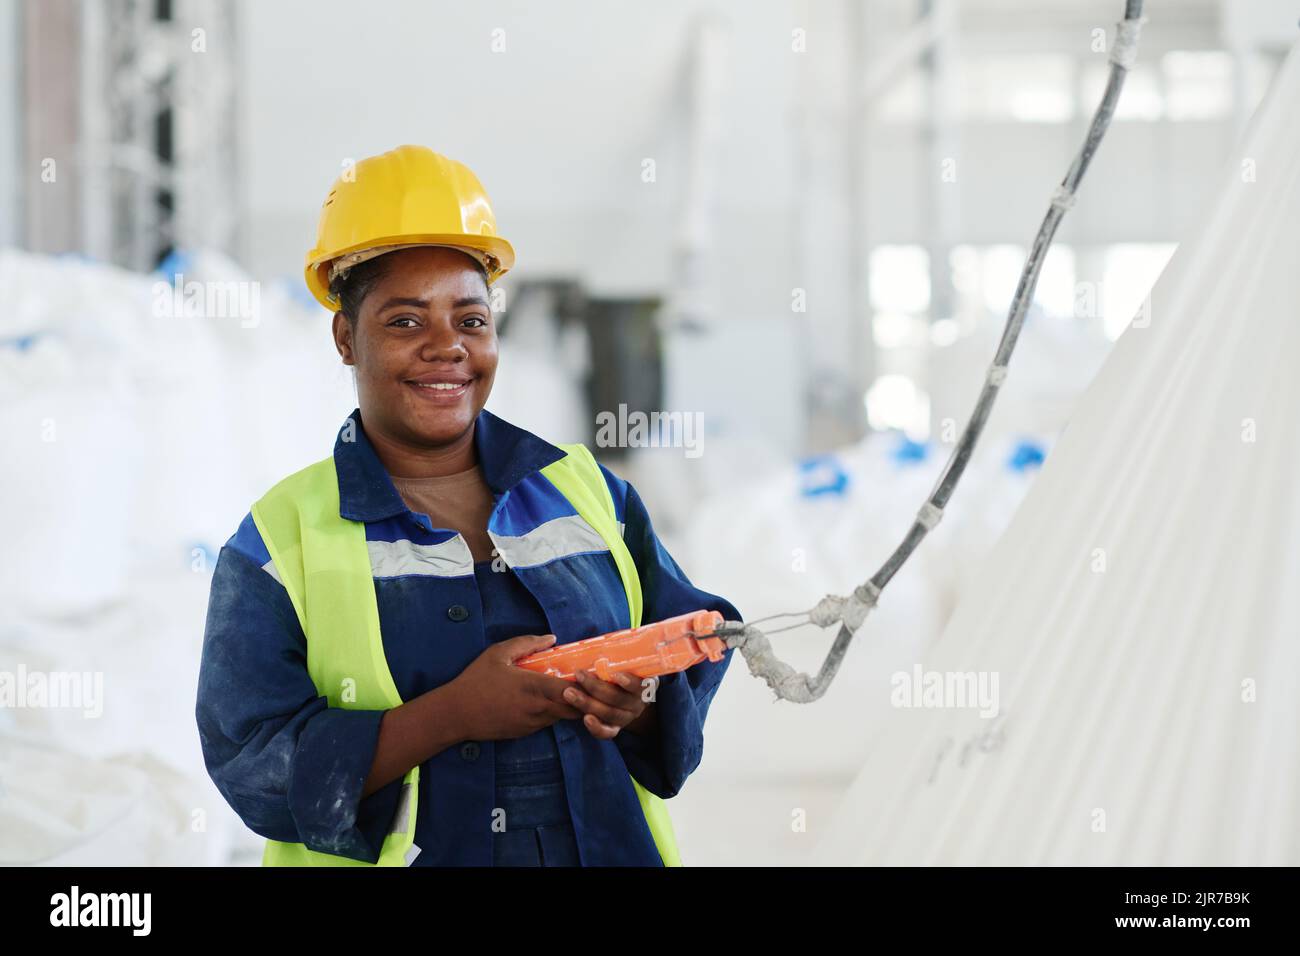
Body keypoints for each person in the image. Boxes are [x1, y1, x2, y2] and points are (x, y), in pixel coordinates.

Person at [195, 145, 740, 866]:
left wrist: (637, 709)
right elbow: (251, 763)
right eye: (405, 322)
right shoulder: (282, 537)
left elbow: (689, 643)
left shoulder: (586, 491)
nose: (446, 348)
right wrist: (449, 717)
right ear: (344, 337)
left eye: (471, 320)